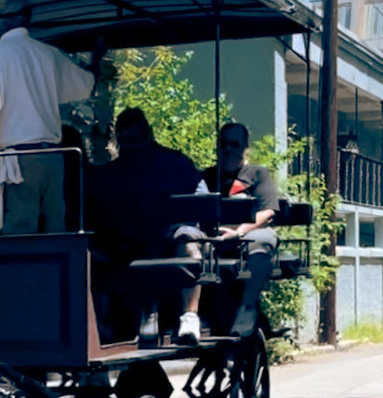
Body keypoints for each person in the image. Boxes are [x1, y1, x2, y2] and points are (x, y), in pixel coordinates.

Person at [0, 0, 95, 233]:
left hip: (19, 164)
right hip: (54, 160)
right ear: (27, 18)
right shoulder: (48, 54)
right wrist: (94, 61)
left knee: (20, 236)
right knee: (54, 233)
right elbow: (86, 86)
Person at [87, 108, 202, 342]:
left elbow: (201, 202)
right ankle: (98, 329)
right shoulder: (109, 175)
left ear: (148, 134)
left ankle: (190, 316)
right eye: (126, 142)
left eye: (136, 140)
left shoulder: (177, 164)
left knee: (189, 241)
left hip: (170, 238)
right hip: (125, 244)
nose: (133, 148)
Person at [177, 121, 279, 343]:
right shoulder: (207, 176)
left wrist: (240, 231)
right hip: (213, 236)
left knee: (261, 244)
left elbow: (268, 211)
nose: (228, 149)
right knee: (185, 239)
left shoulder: (258, 174)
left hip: (249, 233)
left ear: (245, 147)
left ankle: (247, 308)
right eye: (223, 144)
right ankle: (190, 315)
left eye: (234, 144)